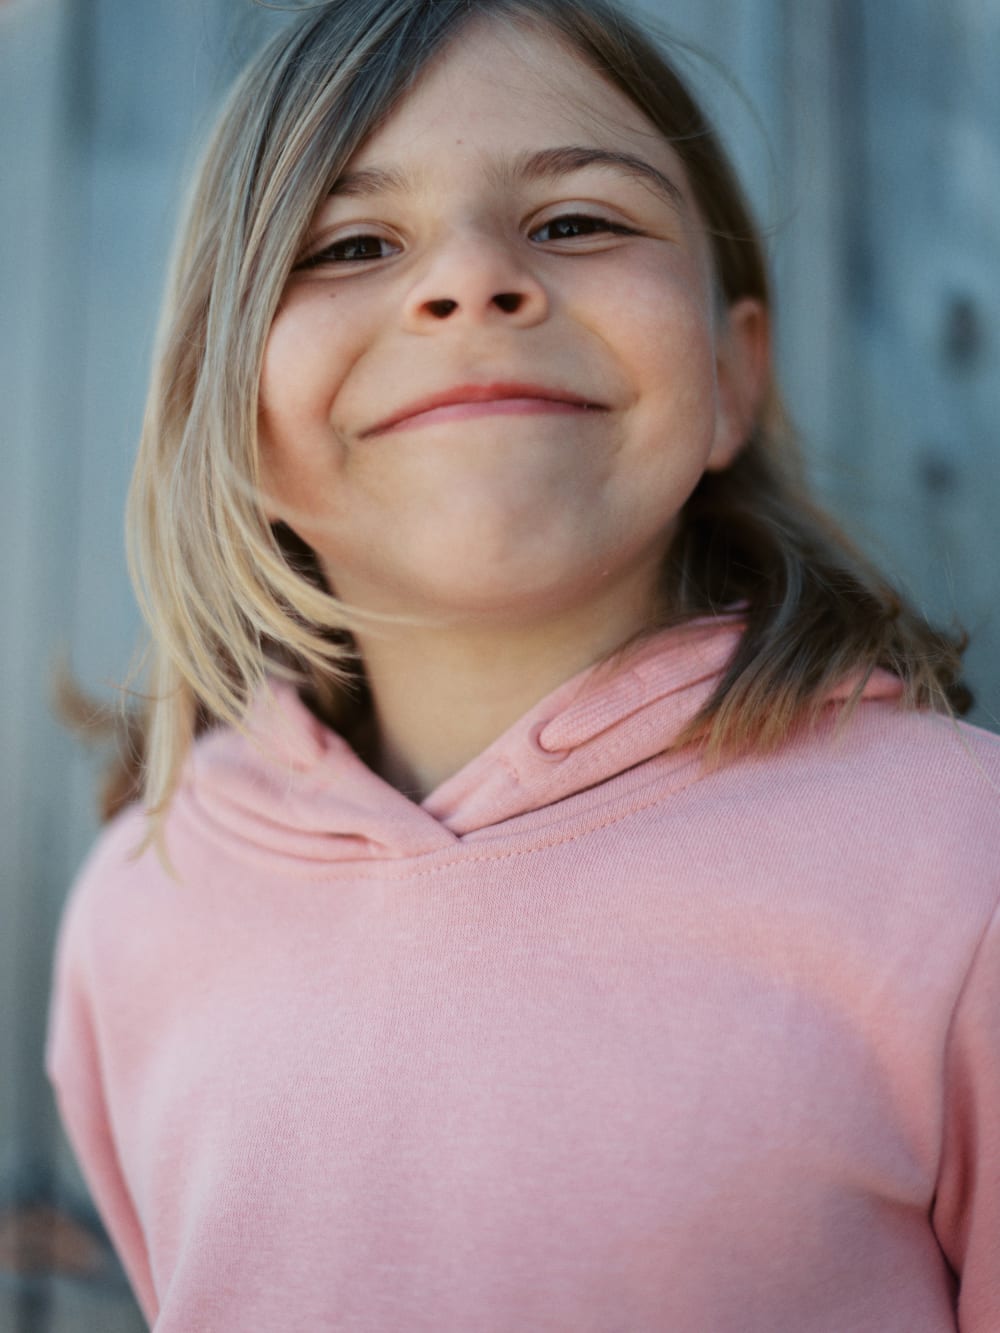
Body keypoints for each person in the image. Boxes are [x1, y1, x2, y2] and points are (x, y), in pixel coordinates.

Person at [45, 0, 1000, 1328]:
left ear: (733, 374)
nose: (471, 280)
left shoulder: (964, 857)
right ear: (236, 420)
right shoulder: (143, 903)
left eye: (577, 222)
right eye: (354, 243)